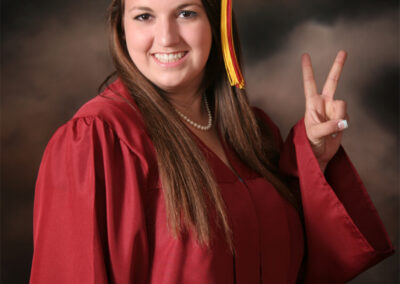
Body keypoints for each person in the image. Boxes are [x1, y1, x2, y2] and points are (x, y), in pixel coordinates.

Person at [29, 0, 395, 283]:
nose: (167, 37)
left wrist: (313, 157)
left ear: (216, 22)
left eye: (186, 13)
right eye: (144, 16)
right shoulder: (97, 141)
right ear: (121, 28)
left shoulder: (253, 133)